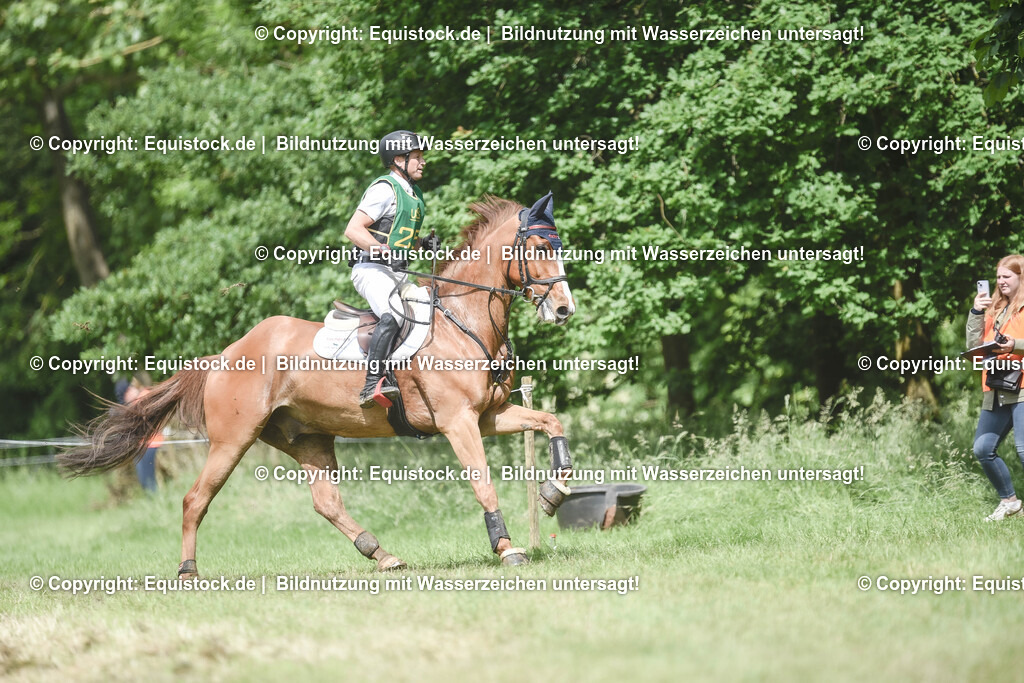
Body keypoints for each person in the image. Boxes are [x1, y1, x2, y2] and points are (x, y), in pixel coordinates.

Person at [344, 130, 438, 408]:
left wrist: (422, 243)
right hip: (371, 269)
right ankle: (371, 384)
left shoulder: (413, 193)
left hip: (396, 273)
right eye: (417, 157)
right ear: (398, 159)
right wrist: (383, 252)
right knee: (393, 314)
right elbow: (353, 229)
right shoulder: (385, 189)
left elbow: (398, 236)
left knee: (430, 309)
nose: (423, 162)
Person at [968, 254, 1024, 521]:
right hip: (996, 386)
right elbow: (974, 346)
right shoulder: (995, 309)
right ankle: (1009, 502)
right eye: (998, 277)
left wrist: (1015, 345)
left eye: (1006, 276)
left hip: (1022, 386)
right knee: (982, 448)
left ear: (1021, 277)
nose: (1001, 281)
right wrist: (976, 312)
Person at [115, 378, 162, 493]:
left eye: (125, 398)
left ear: (128, 391)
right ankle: (151, 498)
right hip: (142, 444)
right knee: (144, 479)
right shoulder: (136, 401)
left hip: (151, 443)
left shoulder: (145, 397)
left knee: (148, 478)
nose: (126, 402)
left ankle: (155, 498)